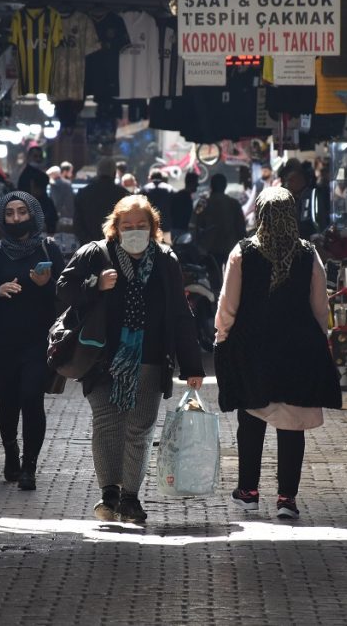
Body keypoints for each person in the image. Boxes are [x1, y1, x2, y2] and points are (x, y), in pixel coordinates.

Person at [56, 195, 205, 524]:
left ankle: (130, 498)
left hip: (150, 358)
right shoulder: (96, 254)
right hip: (101, 358)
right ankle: (109, 493)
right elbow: (64, 289)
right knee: (107, 424)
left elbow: (180, 315)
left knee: (139, 428)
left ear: (152, 227)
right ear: (116, 227)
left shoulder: (165, 260)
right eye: (127, 226)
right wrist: (95, 284)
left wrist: (193, 366)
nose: (134, 231)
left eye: (141, 225)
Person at [214, 187, 342, 519]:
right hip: (298, 349)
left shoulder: (243, 252)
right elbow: (320, 306)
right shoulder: (308, 253)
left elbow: (229, 304)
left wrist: (222, 337)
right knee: (292, 423)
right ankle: (287, 498)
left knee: (252, 416)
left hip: (253, 348)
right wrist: (320, 342)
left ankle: (248, 491)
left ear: (260, 214)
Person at [0, 191, 66, 490]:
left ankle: (29, 466)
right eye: (9, 213)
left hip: (39, 341)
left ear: (32, 214)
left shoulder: (49, 249)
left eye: (22, 212)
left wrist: (46, 284)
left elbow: (67, 292)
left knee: (31, 398)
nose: (16, 218)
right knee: (8, 402)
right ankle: (11, 451)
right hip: (3, 342)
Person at [195, 173, 247, 270]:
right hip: (230, 247)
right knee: (230, 275)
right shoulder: (234, 204)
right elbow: (241, 228)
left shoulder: (203, 203)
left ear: (211, 186)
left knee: (213, 276)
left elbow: (195, 225)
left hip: (209, 249)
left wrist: (198, 247)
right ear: (225, 186)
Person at [74, 157, 129, 245]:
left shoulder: (83, 193)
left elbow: (77, 224)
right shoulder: (123, 194)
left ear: (98, 172)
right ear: (114, 173)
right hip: (116, 246)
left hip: (89, 245)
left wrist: (88, 243)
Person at [17, 145, 59, 234]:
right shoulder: (30, 175)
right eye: (35, 156)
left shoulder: (28, 173)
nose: (38, 159)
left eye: (40, 156)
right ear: (29, 157)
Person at [280, 158, 320, 239]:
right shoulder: (296, 197)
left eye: (291, 180)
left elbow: (304, 223)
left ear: (300, 179)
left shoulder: (308, 196)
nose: (288, 184)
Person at [141, 168, 174, 233]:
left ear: (150, 177)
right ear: (161, 177)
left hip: (150, 224)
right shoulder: (169, 188)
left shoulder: (145, 189)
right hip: (166, 225)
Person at [169, 171, 200, 241]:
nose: (198, 185)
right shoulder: (185, 197)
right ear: (191, 183)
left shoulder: (180, 195)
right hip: (180, 232)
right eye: (196, 182)